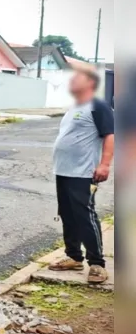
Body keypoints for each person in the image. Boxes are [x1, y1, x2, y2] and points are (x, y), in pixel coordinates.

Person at [47, 69, 114, 284]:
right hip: (64, 170)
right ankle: (74, 256)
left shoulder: (99, 106)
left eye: (77, 78)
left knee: (85, 215)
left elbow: (110, 135)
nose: (72, 81)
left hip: (83, 172)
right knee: (67, 214)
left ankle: (97, 264)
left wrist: (104, 164)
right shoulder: (74, 107)